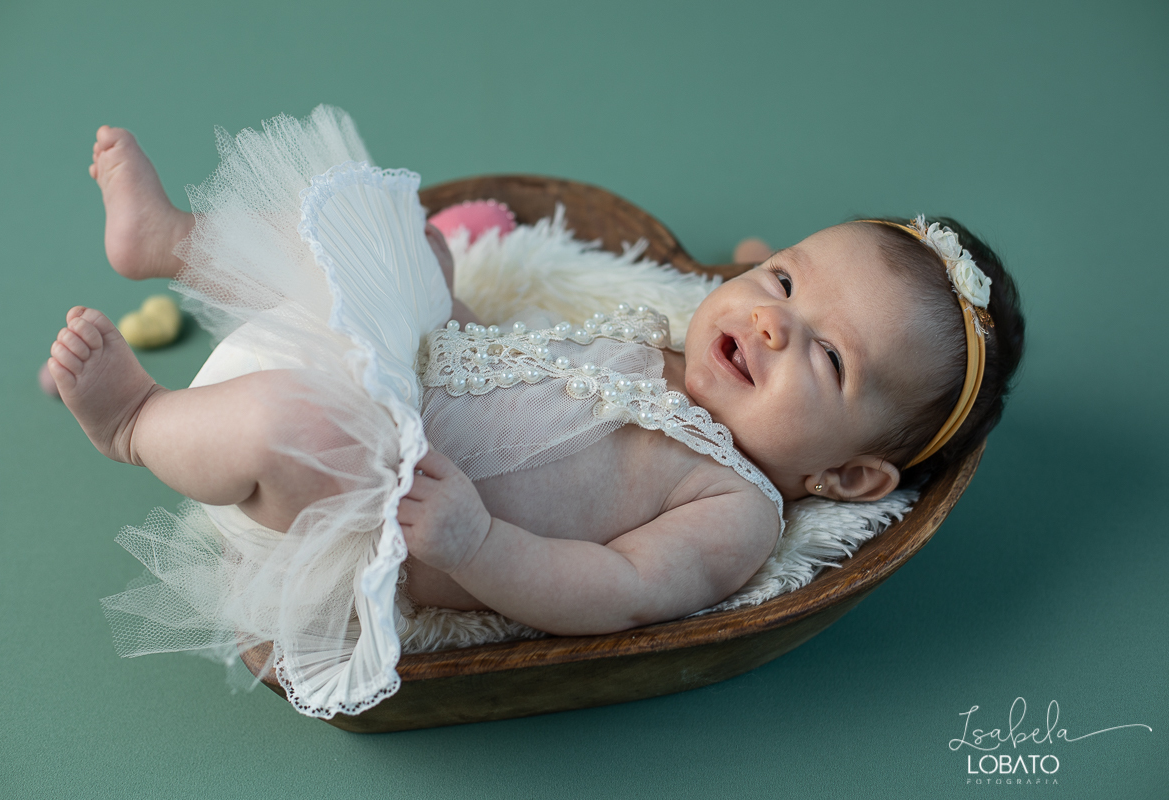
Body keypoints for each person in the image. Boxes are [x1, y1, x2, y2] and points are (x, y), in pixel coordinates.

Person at [50, 106, 1023, 718]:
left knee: (291, 424)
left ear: (849, 477)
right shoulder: (660, 341)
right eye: (779, 281)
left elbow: (618, 587)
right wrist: (443, 300)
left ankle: (136, 421)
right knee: (403, 244)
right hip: (412, 367)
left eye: (827, 353)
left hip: (382, 492)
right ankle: (171, 239)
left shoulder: (735, 507)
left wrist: (477, 545)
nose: (773, 324)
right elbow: (510, 359)